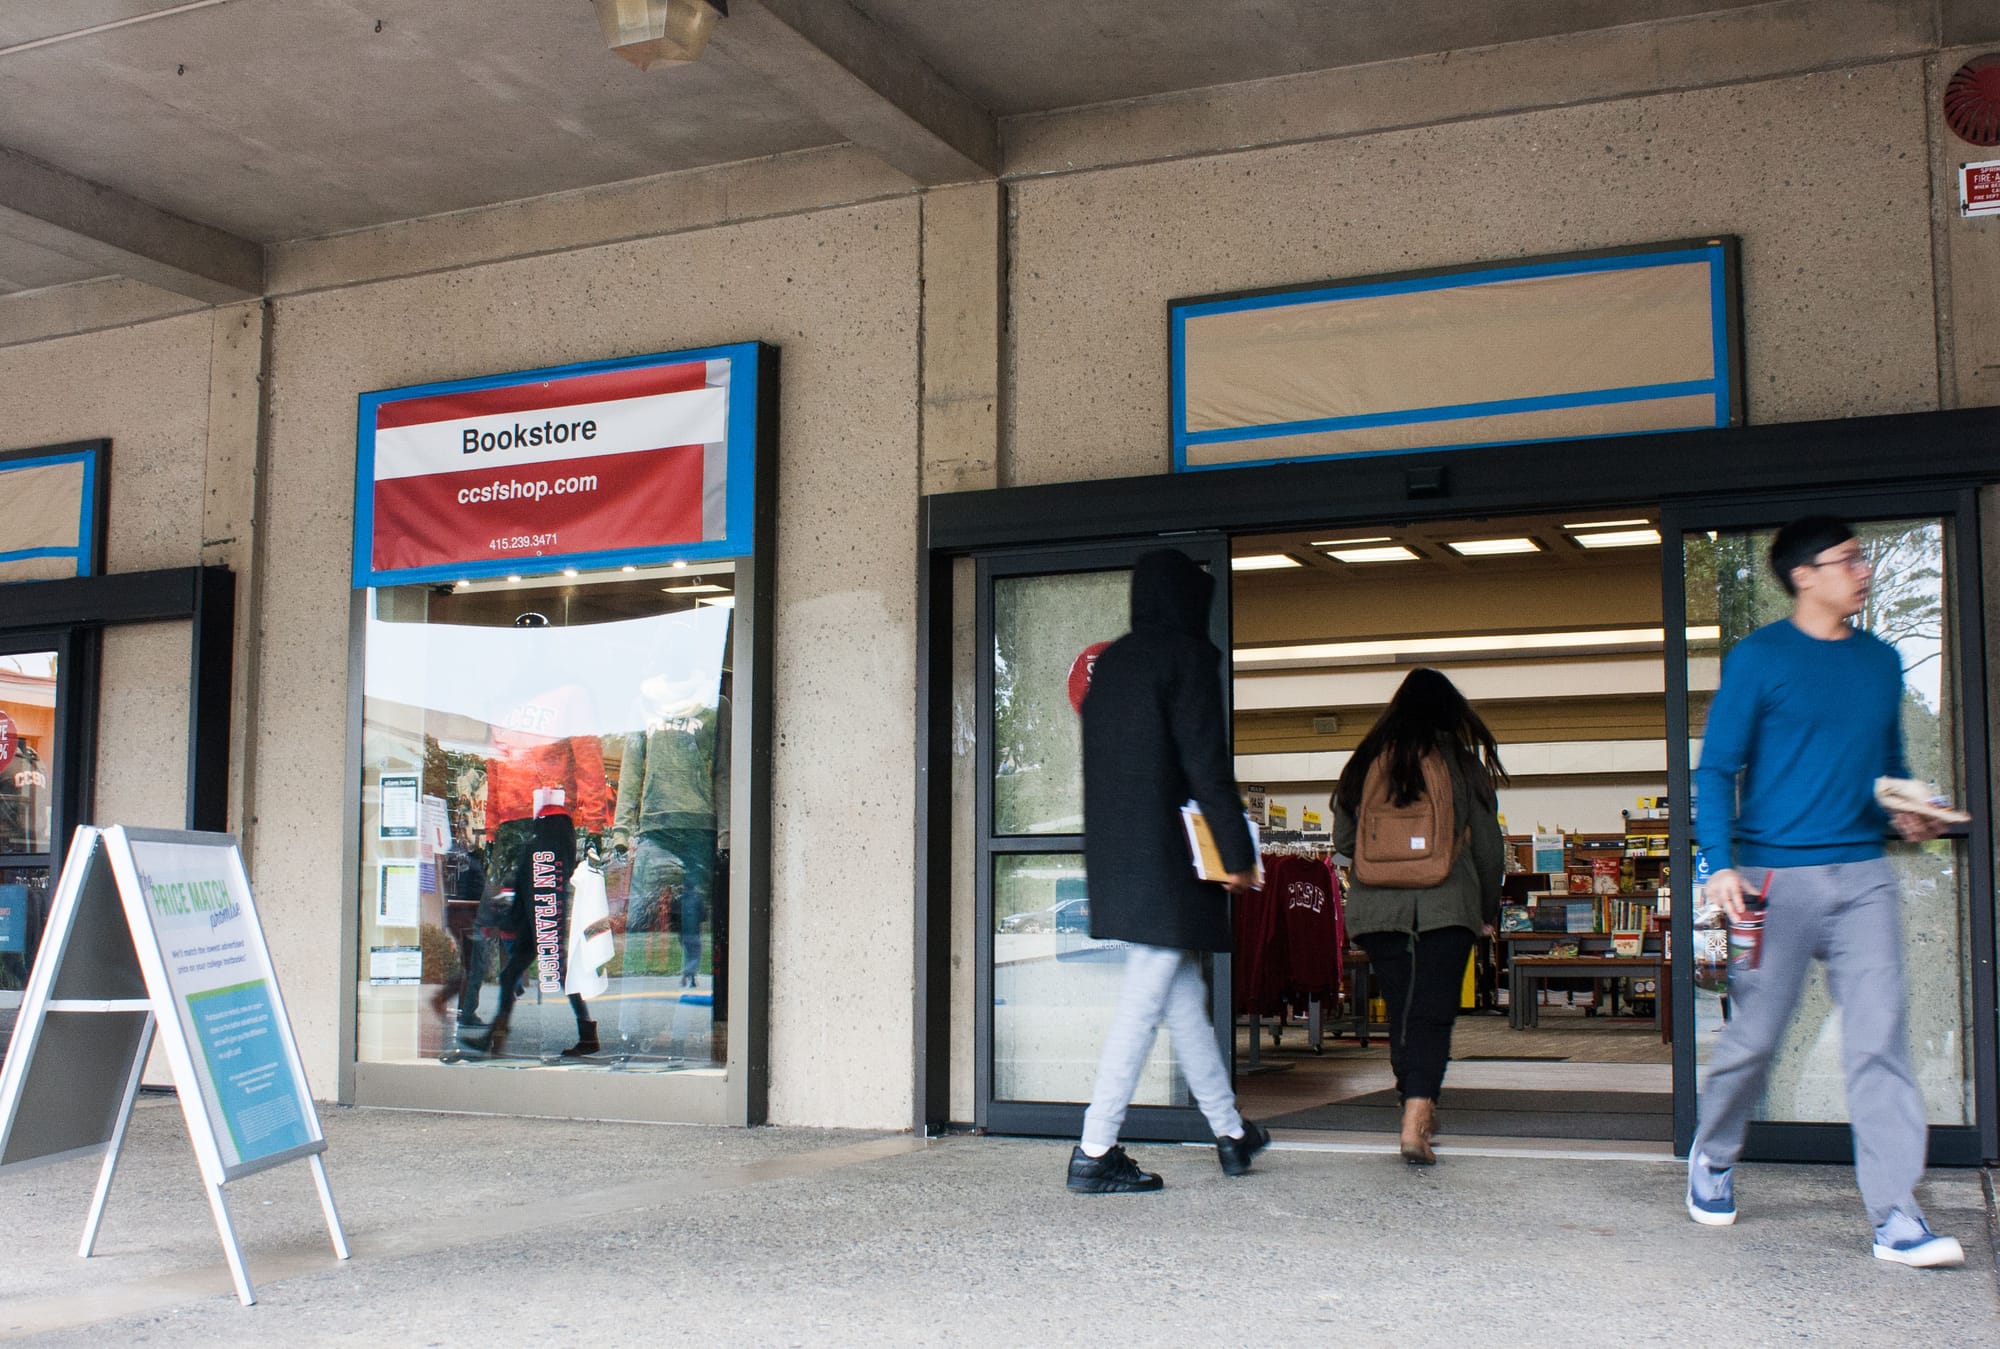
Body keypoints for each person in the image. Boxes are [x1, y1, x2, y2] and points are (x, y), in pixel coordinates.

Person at [1686, 516, 1963, 1268]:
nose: (1864, 569)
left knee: (1879, 1039)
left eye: (1861, 557)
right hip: (1775, 879)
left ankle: (1897, 1215)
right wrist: (1722, 865)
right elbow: (1715, 771)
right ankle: (1712, 1154)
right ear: (1804, 574)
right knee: (1754, 1041)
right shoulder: (1760, 658)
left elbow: (1886, 769)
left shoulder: (1880, 660)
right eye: (1848, 559)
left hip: (1864, 876)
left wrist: (1908, 816)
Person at [1066, 548, 1269, 1194]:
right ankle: (1095, 1148)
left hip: (1119, 857)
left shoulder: (1113, 664)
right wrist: (1237, 857)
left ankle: (1231, 1131)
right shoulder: (1187, 659)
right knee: (1142, 1002)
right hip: (1169, 859)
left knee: (1180, 995)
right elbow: (1206, 765)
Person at [1331, 667, 1505, 1166]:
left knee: (1404, 1010)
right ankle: (1417, 1114)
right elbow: (1489, 847)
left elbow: (1346, 842)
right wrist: (1487, 906)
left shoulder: (1364, 763)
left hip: (1378, 907)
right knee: (1432, 1013)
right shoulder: (1463, 764)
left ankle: (1411, 1097)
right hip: (1448, 904)